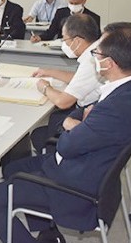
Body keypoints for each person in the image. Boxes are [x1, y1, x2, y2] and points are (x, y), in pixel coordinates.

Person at [0, 21, 131, 243]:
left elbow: (66, 145)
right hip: (92, 169)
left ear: (110, 63)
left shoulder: (114, 108)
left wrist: (73, 124)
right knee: (12, 169)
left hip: (76, 186)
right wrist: (80, 123)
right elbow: (85, 111)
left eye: (97, 53)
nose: (94, 56)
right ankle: (49, 233)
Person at [30, 14, 103, 153]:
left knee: (41, 133)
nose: (64, 44)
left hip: (87, 118)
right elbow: (78, 78)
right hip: (92, 114)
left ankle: (51, 157)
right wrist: (49, 72)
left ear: (77, 41)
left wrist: (45, 87)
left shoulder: (91, 61)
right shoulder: (97, 50)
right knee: (44, 129)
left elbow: (63, 102)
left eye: (65, 39)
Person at [30, 0, 100, 42]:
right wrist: (39, 37)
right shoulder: (60, 13)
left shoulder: (93, 18)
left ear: (84, 0)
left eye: (76, 3)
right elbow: (51, 32)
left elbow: (96, 39)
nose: (73, 5)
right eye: (71, 3)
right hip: (62, 47)